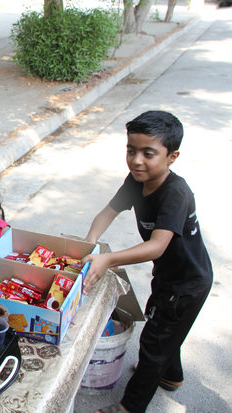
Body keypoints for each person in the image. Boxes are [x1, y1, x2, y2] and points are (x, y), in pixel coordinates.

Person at [81, 111, 212, 413]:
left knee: (154, 342)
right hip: (169, 277)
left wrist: (108, 258)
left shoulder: (175, 193)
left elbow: (156, 246)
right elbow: (106, 214)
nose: (136, 160)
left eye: (148, 153)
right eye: (131, 150)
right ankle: (171, 376)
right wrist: (88, 244)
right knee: (167, 330)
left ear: (172, 157)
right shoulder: (136, 180)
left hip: (187, 283)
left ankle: (130, 407)